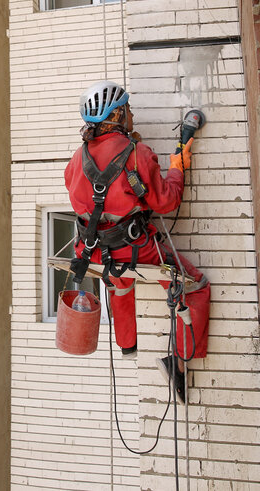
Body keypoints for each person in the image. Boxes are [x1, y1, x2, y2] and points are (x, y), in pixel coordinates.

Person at [63, 80, 210, 404]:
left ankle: (127, 344)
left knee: (119, 282)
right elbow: (166, 201)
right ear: (117, 115)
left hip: (94, 253)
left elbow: (89, 196)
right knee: (194, 286)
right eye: (128, 110)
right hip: (136, 249)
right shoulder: (136, 154)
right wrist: (176, 167)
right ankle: (180, 358)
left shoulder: (78, 158)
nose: (132, 114)